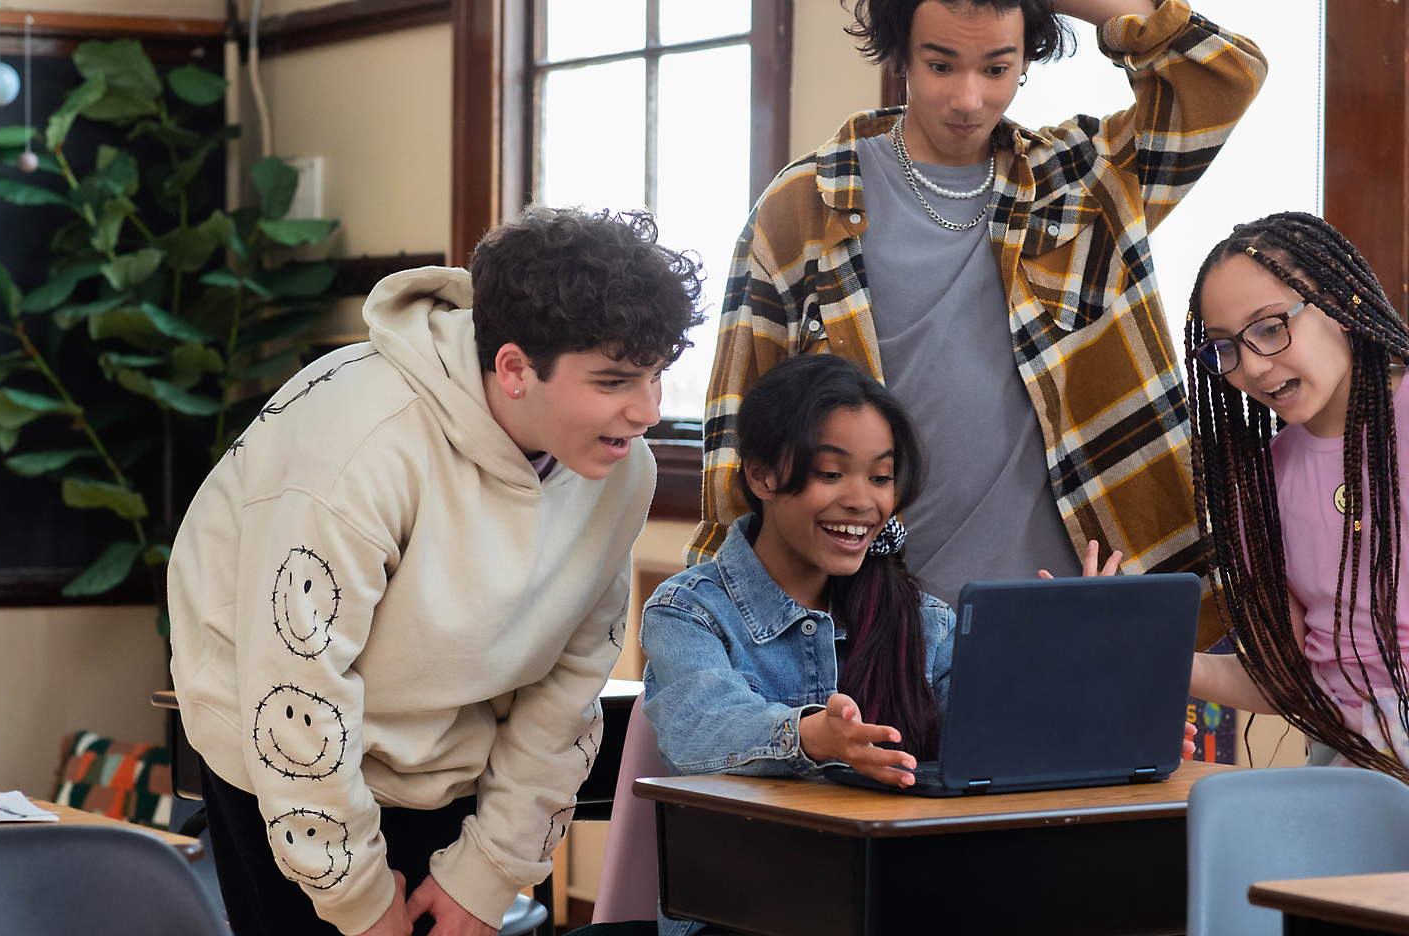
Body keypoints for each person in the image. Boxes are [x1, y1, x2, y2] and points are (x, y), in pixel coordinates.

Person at [167, 207, 704, 936]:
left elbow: (568, 686)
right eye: (614, 382)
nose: (646, 411)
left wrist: (489, 872)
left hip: (448, 759)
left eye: (656, 376)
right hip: (282, 749)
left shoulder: (618, 470)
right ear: (514, 368)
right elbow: (298, 693)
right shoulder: (359, 444)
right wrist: (358, 898)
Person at [689, 0, 1266, 652]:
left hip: (1089, 626)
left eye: (997, 67)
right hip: (874, 641)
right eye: (941, 64)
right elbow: (737, 454)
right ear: (901, 51)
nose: (968, 98)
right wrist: (714, 643)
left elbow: (1224, 76)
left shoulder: (1082, 183)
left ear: (1026, 62)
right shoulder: (801, 208)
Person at [643, 355, 954, 795]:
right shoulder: (689, 613)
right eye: (830, 473)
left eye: (881, 477)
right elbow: (701, 728)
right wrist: (811, 736)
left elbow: (996, 732)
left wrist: (1070, 653)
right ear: (761, 475)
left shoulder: (927, 623)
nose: (863, 501)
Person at [1184, 212, 1409, 780]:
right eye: (1225, 349)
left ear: (1337, 300)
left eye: (1269, 326)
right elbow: (1288, 677)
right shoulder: (1261, 484)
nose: (1254, 367)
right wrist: (1149, 654)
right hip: (1346, 765)